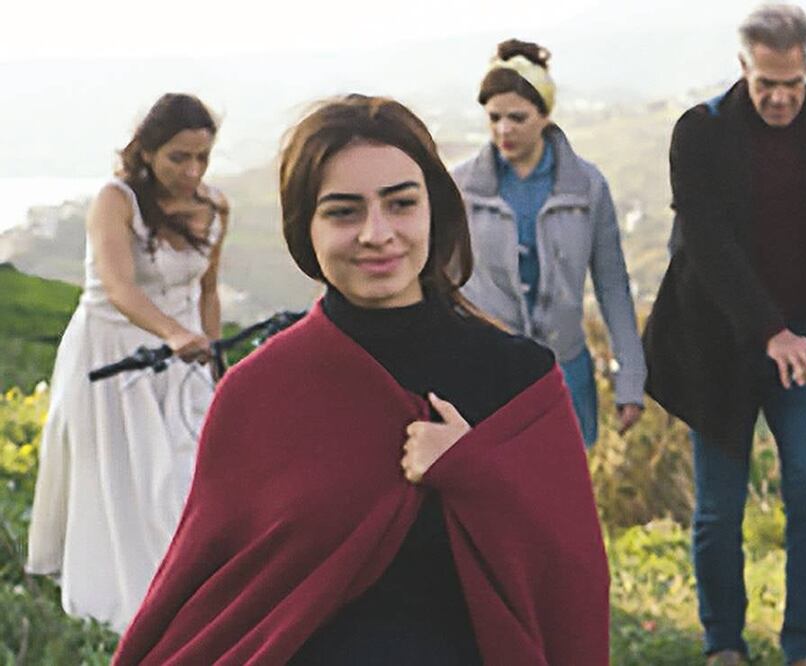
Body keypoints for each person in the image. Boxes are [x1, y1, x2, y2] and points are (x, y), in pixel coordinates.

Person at [112, 95, 610, 665]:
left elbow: (568, 579)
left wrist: (476, 471)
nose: (377, 234)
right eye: (344, 212)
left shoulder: (519, 378)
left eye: (400, 204)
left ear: (435, 211)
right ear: (307, 227)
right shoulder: (260, 393)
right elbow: (209, 605)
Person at [642, 5, 806, 665]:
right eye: (764, 84)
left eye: (789, 82)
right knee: (719, 508)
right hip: (718, 340)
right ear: (742, 68)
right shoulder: (698, 132)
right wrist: (768, 332)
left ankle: (804, 646)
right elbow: (708, 244)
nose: (778, 98)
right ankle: (723, 643)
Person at [25, 93, 228, 633]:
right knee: (123, 476)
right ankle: (129, 595)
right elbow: (118, 286)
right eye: (178, 158)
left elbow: (207, 290)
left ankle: (191, 583)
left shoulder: (215, 207)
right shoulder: (115, 200)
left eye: (202, 158)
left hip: (183, 358)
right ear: (148, 152)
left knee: (187, 470)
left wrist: (211, 353)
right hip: (113, 352)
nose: (192, 171)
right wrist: (172, 334)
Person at [453, 39, 646, 446]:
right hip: (484, 372)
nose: (504, 130)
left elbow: (612, 286)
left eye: (518, 118)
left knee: (564, 497)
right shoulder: (460, 188)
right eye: (494, 118)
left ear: (544, 116)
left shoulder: (586, 188)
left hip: (566, 374)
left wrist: (630, 378)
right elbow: (442, 282)